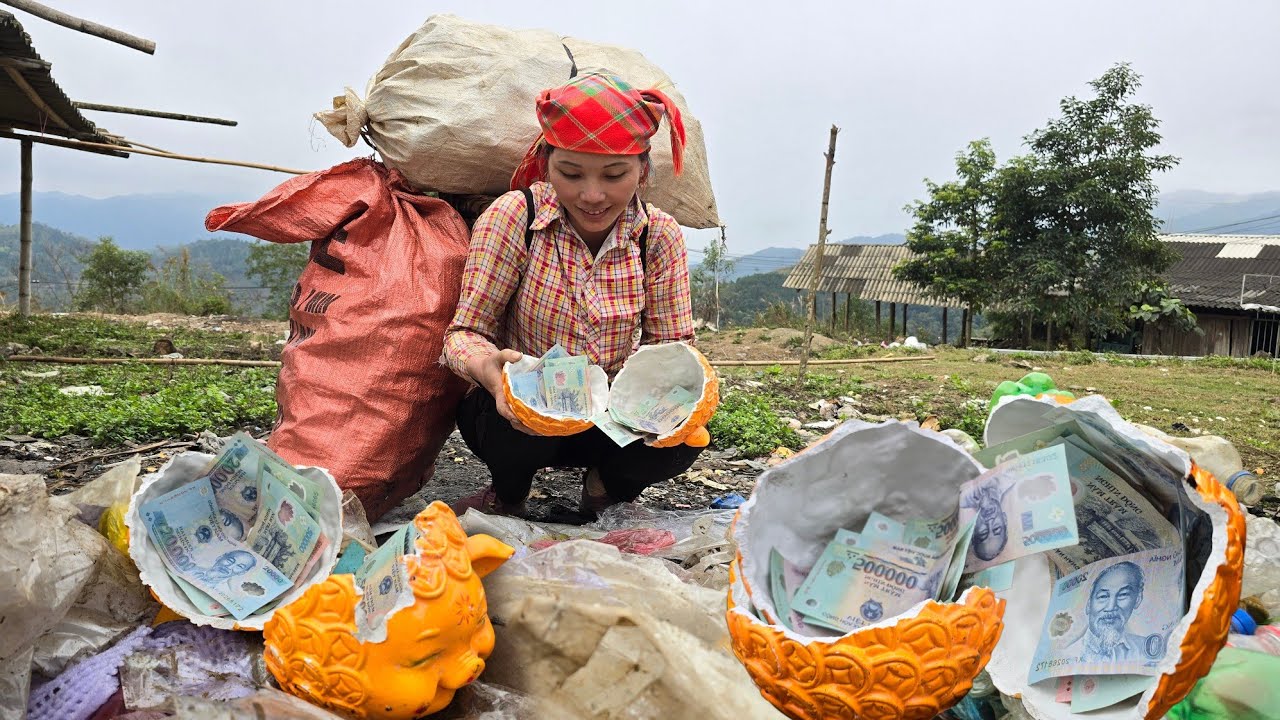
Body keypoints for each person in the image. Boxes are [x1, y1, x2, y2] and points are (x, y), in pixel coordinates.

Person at [443, 73, 703, 520]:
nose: (592, 195)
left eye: (615, 175)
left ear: (642, 170)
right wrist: (487, 369)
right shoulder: (515, 218)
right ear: (546, 164)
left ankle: (603, 489)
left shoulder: (658, 235)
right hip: (527, 411)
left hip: (613, 417)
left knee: (680, 441)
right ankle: (508, 494)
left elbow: (671, 349)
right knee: (504, 428)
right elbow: (465, 332)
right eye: (571, 173)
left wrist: (675, 394)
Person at [1066, 561, 1150, 662]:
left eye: (1123, 594)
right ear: (1088, 604)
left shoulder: (1146, 649)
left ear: (1137, 600)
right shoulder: (1067, 654)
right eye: (1103, 596)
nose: (1111, 607)